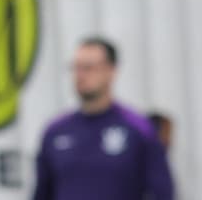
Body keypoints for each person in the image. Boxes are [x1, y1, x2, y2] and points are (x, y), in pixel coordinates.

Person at [32, 37, 174, 200]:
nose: (80, 75)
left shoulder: (138, 130)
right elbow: (41, 193)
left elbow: (162, 192)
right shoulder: (55, 132)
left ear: (111, 71)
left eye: (89, 68)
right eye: (76, 68)